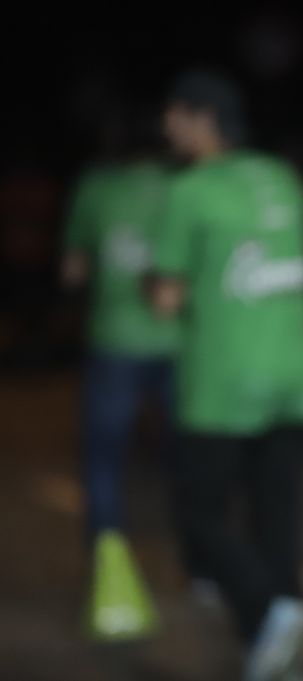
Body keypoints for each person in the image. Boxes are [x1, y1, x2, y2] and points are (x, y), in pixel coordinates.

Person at [150, 70, 303, 680]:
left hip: (224, 378)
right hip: (293, 370)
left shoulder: (191, 189)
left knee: (197, 516)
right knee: (275, 509)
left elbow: (168, 298)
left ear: (202, 118)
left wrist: (147, 285)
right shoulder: (282, 177)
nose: (166, 127)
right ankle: (283, 636)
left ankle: (264, 613)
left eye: (173, 114)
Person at [62, 99, 177, 641]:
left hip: (114, 342)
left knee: (104, 458)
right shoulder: (180, 186)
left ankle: (108, 563)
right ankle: (200, 565)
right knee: (185, 452)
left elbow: (73, 270)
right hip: (176, 343)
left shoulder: (96, 186)